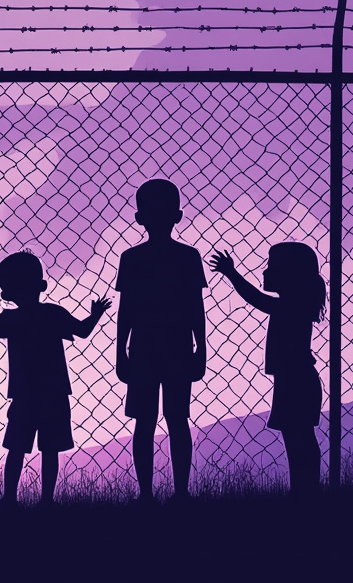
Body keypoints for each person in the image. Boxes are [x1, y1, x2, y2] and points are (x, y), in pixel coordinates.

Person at [0, 251, 110, 506]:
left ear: (7, 294)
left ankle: (9, 499)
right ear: (42, 285)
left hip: (25, 394)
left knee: (17, 448)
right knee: (50, 449)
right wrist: (96, 314)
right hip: (54, 393)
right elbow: (82, 330)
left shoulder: (13, 318)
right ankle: (46, 500)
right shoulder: (52, 314)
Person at [115, 179, 207, 502]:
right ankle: (168, 492)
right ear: (178, 215)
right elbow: (196, 309)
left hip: (148, 349)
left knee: (156, 421)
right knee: (167, 420)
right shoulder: (185, 257)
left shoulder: (134, 258)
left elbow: (126, 311)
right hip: (172, 348)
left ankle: (153, 494)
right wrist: (201, 350)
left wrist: (121, 353)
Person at [209, 242, 324, 496]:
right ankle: (305, 492)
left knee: (298, 439)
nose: (265, 271)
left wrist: (232, 274)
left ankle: (304, 493)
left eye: (271, 265)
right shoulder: (296, 306)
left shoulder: (289, 307)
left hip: (295, 381)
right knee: (299, 438)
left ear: (289, 274)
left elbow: (256, 299)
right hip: (296, 379)